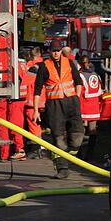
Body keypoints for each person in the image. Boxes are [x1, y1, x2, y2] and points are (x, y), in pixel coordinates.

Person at [33, 46, 85, 179]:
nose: (56, 53)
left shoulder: (69, 63)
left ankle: (67, 158)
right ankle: (62, 168)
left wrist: (77, 98)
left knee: (78, 138)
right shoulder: (44, 66)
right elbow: (37, 89)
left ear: (61, 51)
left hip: (71, 102)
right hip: (55, 106)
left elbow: (78, 81)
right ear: (49, 52)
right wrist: (35, 111)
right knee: (59, 139)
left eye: (58, 50)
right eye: (53, 51)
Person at [78, 54, 104, 162]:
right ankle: (90, 155)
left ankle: (80, 155)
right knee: (92, 131)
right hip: (94, 107)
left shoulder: (80, 75)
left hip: (83, 106)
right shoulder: (95, 75)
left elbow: (79, 92)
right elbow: (100, 90)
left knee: (81, 132)